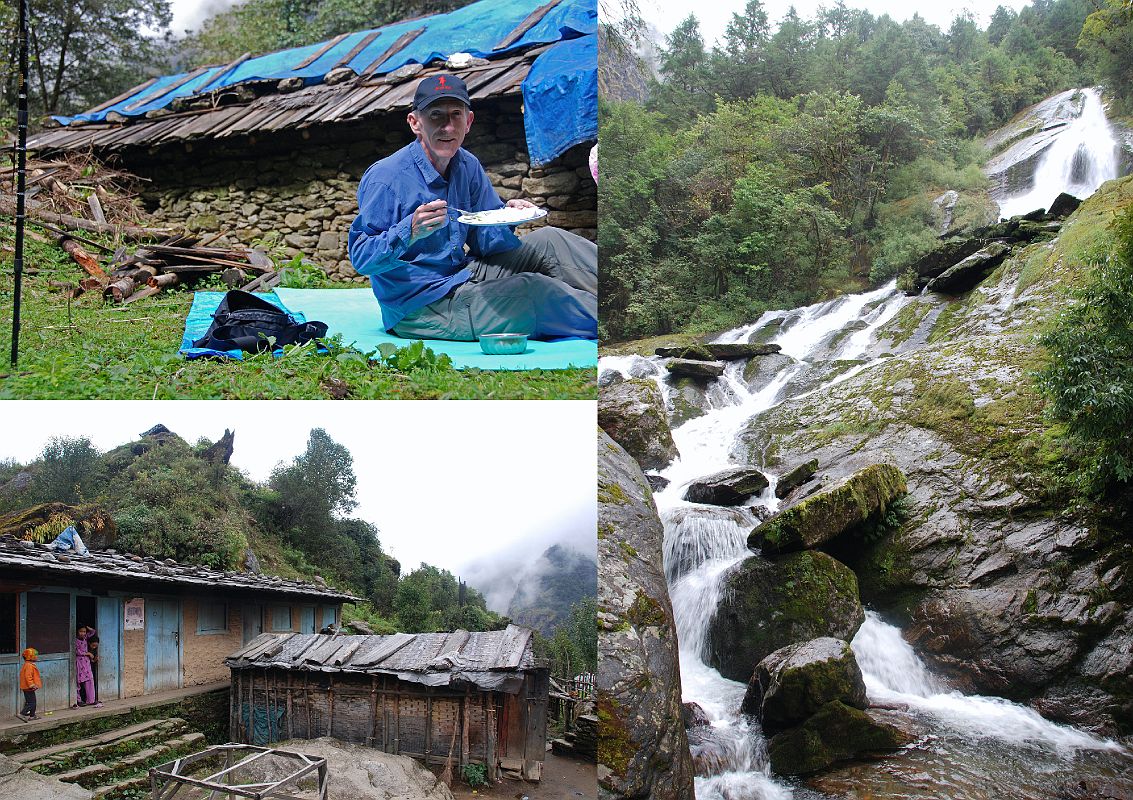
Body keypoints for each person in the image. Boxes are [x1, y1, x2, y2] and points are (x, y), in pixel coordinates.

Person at [348, 73, 597, 341]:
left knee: (552, 240)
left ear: (468, 121)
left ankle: (631, 294)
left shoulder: (467, 166)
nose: (448, 127)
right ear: (415, 122)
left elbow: (486, 246)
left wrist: (507, 217)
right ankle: (624, 322)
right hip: (419, 305)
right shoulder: (386, 178)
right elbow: (362, 259)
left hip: (463, 274)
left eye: (456, 114)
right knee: (533, 292)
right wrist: (408, 230)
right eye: (435, 115)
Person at [73, 626, 101, 708]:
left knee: (90, 680)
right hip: (79, 662)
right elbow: (76, 651)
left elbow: (93, 632)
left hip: (86, 663)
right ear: (77, 632)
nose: (83, 633)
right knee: (78, 682)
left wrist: (86, 627)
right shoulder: (74, 640)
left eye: (84, 631)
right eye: (81, 631)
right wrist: (88, 653)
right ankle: (78, 700)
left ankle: (91, 700)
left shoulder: (85, 638)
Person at [19, 647, 41, 721]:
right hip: (28, 687)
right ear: (31, 657)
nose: (37, 657)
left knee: (32, 701)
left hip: (27, 687)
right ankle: (22, 713)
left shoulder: (28, 664)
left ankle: (32, 716)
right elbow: (28, 676)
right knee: (32, 702)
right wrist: (32, 685)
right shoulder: (28, 666)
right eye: (35, 655)